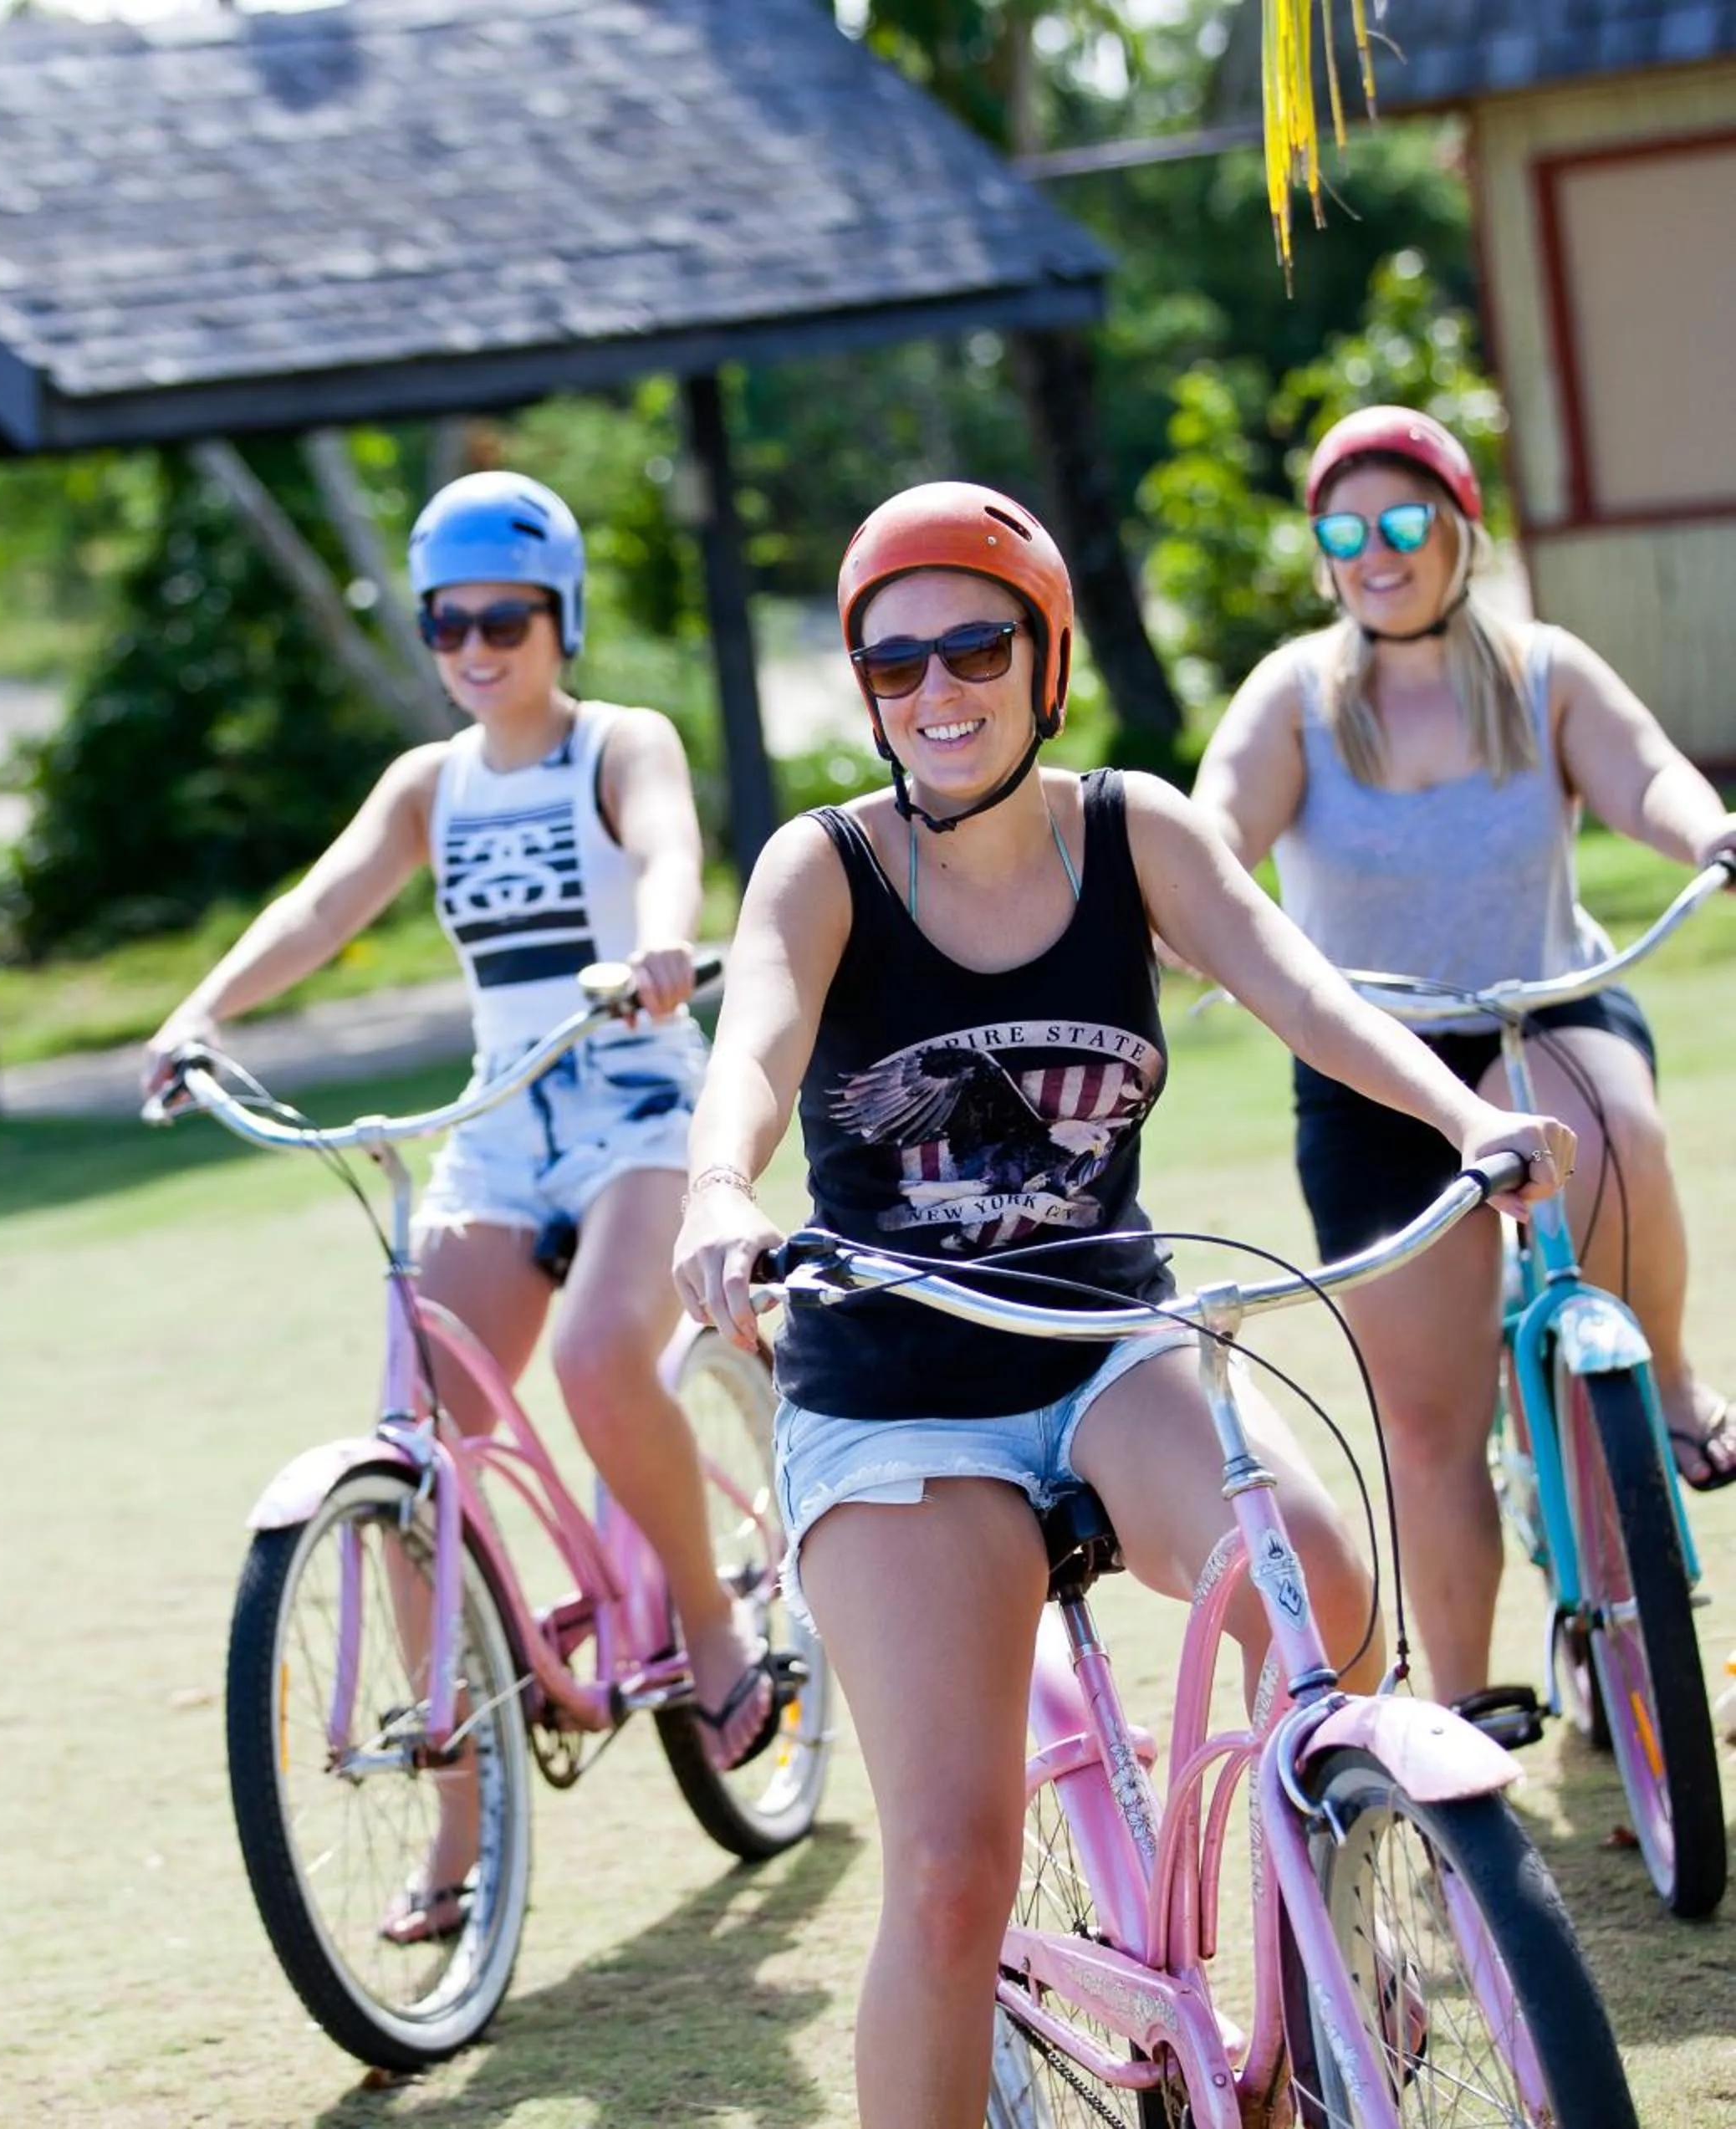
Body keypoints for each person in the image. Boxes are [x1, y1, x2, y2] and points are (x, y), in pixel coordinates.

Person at [672, 480, 1572, 2129]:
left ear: (1047, 657)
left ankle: (1320, 2007)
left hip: (1109, 1348)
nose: (937, 692)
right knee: (951, 1872)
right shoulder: (824, 868)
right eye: (894, 665)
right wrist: (722, 1191)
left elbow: (1296, 984)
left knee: (1327, 1592)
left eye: (975, 646)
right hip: (893, 1400)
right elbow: (755, 1042)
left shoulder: (1131, 832)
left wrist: (1465, 1116)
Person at [144, 470, 774, 1925]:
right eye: (449, 625)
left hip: (634, 1107)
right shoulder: (430, 782)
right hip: (493, 1131)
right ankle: (460, 1816)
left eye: (507, 619)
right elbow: (324, 901)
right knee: (413, 1442)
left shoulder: (620, 742)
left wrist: (664, 944)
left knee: (609, 1350)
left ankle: (707, 1614)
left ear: (560, 620)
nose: (478, 649)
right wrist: (200, 1013)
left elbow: (672, 843)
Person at [1191, 403, 1736, 1723]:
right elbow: (1212, 836)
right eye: (1343, 528)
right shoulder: (1297, 699)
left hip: (1538, 1010)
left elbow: (1647, 772)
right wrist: (1178, 931)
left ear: (1459, 529)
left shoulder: (1542, 671)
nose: (1374, 552)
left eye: (1402, 521)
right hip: (1372, 1053)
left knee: (1614, 1134)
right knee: (1426, 1420)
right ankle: (1473, 1696)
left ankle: (1658, 1369)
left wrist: (1712, 832)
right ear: (1321, 550)